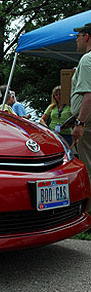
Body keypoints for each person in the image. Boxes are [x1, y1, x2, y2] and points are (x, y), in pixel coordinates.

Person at [70, 22, 91, 214]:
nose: (76, 39)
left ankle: (89, 215)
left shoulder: (87, 59)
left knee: (88, 167)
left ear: (86, 37)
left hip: (89, 123)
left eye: (78, 35)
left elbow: (88, 94)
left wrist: (80, 122)